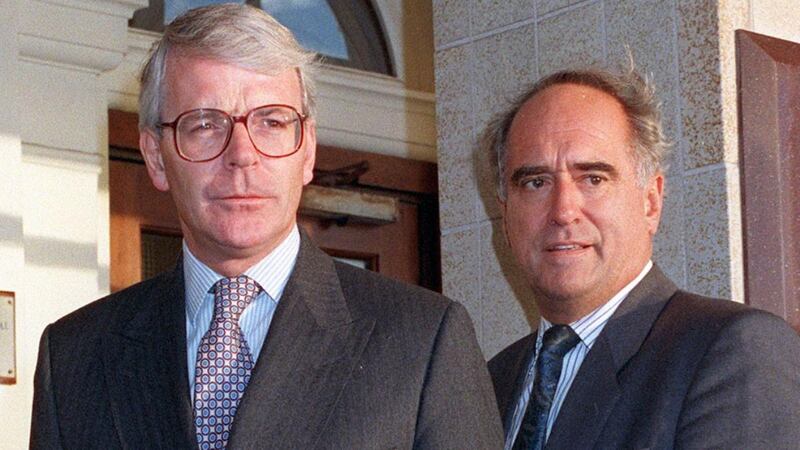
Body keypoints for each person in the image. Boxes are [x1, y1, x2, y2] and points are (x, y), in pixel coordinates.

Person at [30, 4, 502, 449]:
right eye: (204, 125)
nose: (242, 155)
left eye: (272, 123)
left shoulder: (423, 341)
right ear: (156, 156)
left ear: (308, 150)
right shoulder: (74, 355)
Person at [484, 65, 800, 449]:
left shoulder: (732, 351)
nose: (563, 210)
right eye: (536, 182)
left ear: (650, 202)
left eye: (593, 179)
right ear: (506, 218)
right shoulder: (490, 383)